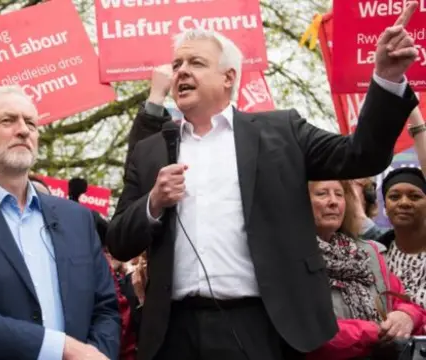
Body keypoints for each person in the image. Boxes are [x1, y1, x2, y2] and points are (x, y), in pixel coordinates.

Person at [106, 3, 422, 360]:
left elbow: (362, 155)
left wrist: (387, 78)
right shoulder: (151, 150)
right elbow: (117, 241)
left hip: (260, 329)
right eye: (177, 64)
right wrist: (154, 203)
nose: (180, 71)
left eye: (195, 63)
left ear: (228, 77)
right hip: (172, 334)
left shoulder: (281, 132)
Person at [0, 85, 120, 359]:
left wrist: (95, 354)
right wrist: (61, 349)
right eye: (7, 120)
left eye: (31, 123)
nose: (23, 130)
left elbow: (106, 308)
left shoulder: (78, 218)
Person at [306, 180, 425, 360]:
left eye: (339, 194)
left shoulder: (368, 252)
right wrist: (375, 331)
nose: (333, 201)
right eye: (322, 194)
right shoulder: (288, 258)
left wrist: (406, 316)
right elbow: (307, 332)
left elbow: (406, 302)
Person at [377, 167, 426, 308]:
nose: (404, 203)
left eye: (415, 196)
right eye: (394, 197)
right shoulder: (375, 256)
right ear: (385, 207)